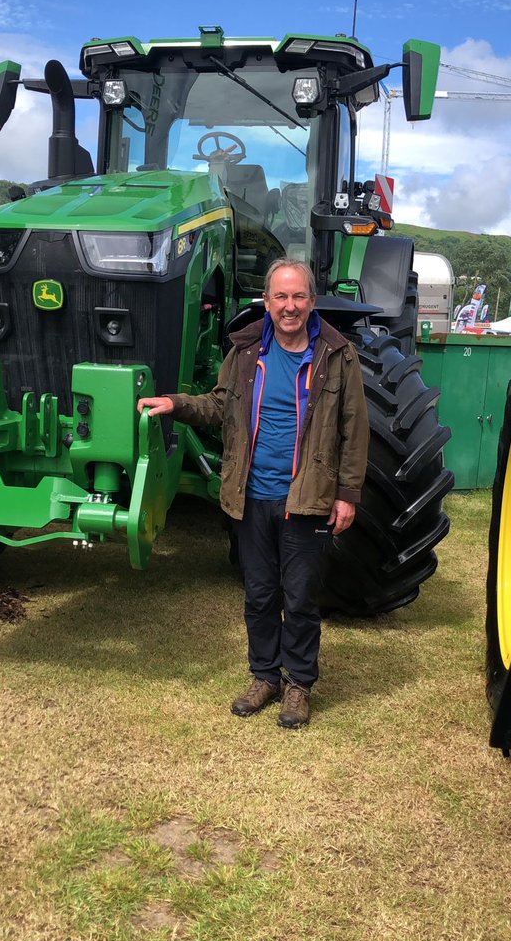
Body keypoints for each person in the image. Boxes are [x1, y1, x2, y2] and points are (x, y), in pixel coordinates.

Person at [138, 258, 370, 728]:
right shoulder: (245, 352)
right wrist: (177, 404)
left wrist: (347, 493)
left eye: (298, 296)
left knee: (300, 598)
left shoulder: (337, 355)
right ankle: (265, 676)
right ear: (266, 302)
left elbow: (354, 428)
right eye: (280, 297)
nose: (289, 306)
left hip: (305, 499)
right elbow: (221, 403)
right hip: (251, 496)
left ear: (311, 301)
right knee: (260, 595)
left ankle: (299, 684)